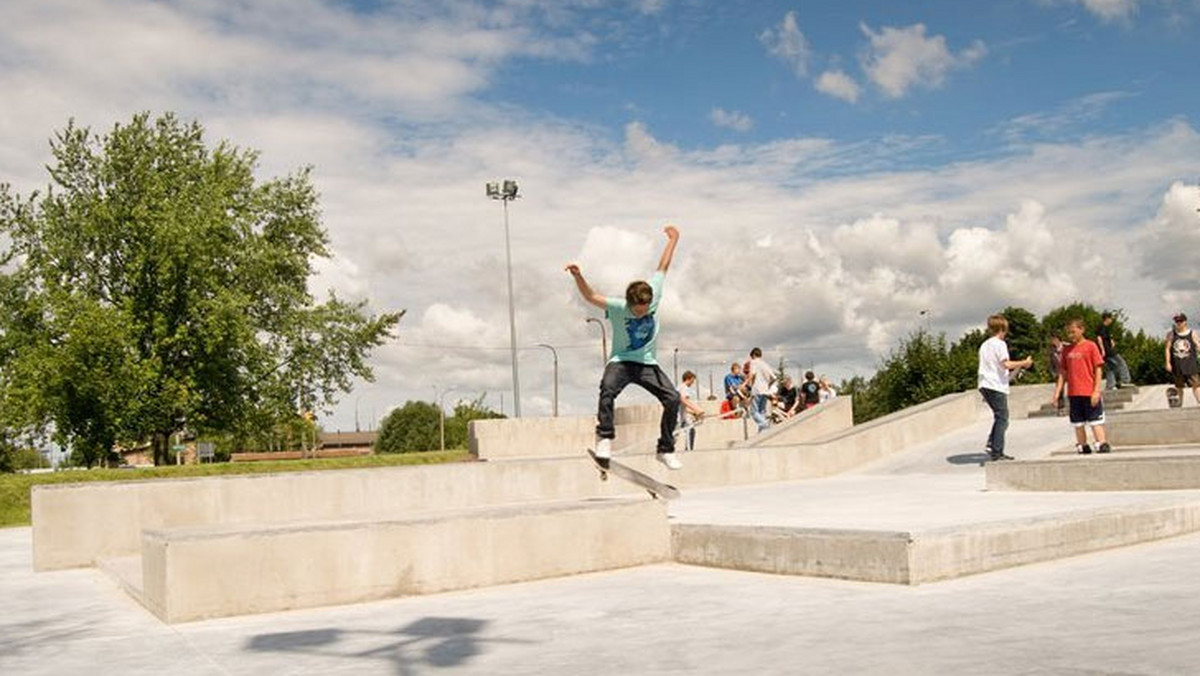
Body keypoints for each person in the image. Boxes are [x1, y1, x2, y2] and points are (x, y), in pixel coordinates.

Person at [566, 225, 683, 469]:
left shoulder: (653, 295)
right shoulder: (618, 307)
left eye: (646, 310)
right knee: (607, 389)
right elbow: (591, 297)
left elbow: (663, 267)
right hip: (621, 361)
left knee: (672, 398)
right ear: (629, 303)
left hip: (647, 364)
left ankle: (665, 449)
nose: (642, 314)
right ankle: (605, 438)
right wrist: (578, 275)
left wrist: (674, 239)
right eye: (637, 311)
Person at [977, 314, 1033, 461]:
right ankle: (997, 451)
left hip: (984, 385)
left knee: (999, 416)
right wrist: (1023, 363)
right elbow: (1005, 364)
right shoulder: (1000, 344)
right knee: (1003, 418)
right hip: (995, 385)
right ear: (1003, 328)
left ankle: (992, 442)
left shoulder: (985, 345)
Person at [1052, 317, 1110, 454]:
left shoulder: (1090, 346)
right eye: (1068, 333)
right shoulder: (1066, 351)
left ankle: (1101, 442)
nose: (1071, 335)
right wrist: (1057, 393)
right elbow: (1063, 373)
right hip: (1073, 393)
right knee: (1078, 422)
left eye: (1073, 332)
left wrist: (1096, 391)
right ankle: (1083, 444)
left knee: (1095, 419)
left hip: (1089, 391)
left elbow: (1098, 369)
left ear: (1082, 329)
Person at [1165, 312, 1200, 406]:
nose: (1179, 323)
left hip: (1190, 364)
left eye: (1180, 321)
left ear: (1185, 322)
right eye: (1177, 321)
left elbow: (1198, 346)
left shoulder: (1192, 333)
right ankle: (1179, 404)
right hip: (1177, 365)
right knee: (1179, 386)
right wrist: (1168, 363)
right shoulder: (1171, 334)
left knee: (1196, 385)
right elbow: (1167, 349)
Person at [1097, 312, 1133, 390]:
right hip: (1108, 351)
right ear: (1107, 318)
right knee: (1121, 363)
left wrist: (1112, 342)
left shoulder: (1106, 328)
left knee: (1110, 368)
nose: (1111, 320)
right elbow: (1099, 339)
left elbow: (1107, 338)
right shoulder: (1102, 327)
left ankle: (1110, 385)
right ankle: (1125, 381)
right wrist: (1102, 350)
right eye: (1110, 319)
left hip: (1107, 350)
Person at [745, 347, 775, 432]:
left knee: (753, 412)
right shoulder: (765, 364)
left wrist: (745, 384)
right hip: (765, 391)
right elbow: (774, 378)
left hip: (757, 390)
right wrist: (768, 385)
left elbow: (752, 375)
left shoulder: (753, 362)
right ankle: (762, 433)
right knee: (762, 412)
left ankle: (766, 426)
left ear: (753, 355)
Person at [677, 370, 706, 450]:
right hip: (678, 417)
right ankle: (688, 450)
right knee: (675, 435)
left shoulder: (679, 387)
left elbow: (684, 406)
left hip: (682, 416)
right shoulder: (684, 388)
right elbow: (684, 400)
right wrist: (697, 410)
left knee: (690, 430)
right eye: (692, 380)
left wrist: (693, 413)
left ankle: (688, 449)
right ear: (688, 379)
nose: (692, 383)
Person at [1047, 334, 1067, 413]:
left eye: (1054, 340)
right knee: (1060, 390)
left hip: (1068, 371)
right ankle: (1061, 407)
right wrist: (1053, 373)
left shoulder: (1065, 347)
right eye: (1052, 340)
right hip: (1058, 372)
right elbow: (1050, 363)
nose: (1053, 342)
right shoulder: (1052, 351)